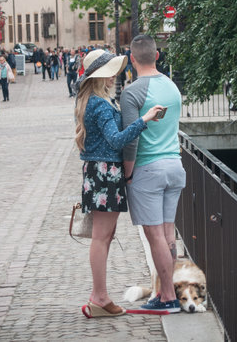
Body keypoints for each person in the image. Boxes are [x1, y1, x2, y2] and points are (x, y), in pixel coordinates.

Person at [75, 49, 163, 319]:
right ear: (101, 75)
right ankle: (99, 297)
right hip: (105, 173)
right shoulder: (99, 103)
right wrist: (145, 120)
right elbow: (116, 140)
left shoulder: (92, 100)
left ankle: (99, 296)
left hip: (100, 172)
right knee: (102, 238)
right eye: (111, 71)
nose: (114, 75)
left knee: (104, 236)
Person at [120, 34, 186, 314]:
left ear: (131, 60)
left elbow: (131, 141)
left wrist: (128, 174)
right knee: (168, 234)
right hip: (175, 165)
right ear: (157, 56)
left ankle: (168, 297)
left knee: (154, 235)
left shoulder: (132, 92)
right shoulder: (172, 86)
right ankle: (163, 291)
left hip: (149, 168)